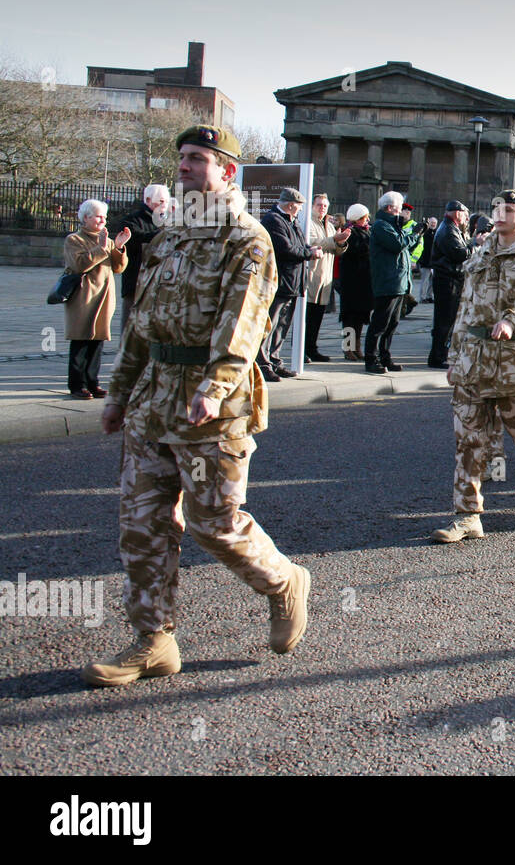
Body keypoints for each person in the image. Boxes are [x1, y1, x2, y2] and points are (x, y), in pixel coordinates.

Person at [85, 124, 309, 687]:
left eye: (197, 159)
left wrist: (212, 389)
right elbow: (141, 323)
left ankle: (283, 582)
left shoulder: (247, 239)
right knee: (142, 523)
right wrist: (119, 393)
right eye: (181, 157)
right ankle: (154, 639)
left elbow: (243, 326)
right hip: (152, 400)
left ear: (226, 171)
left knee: (214, 523)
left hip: (213, 407)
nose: (183, 167)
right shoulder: (170, 233)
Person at [431, 189, 515, 542]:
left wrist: (511, 320)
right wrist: (454, 356)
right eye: (496, 208)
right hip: (473, 360)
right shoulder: (481, 253)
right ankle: (467, 516)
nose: (500, 213)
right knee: (469, 440)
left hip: (513, 362)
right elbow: (465, 307)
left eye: (509, 209)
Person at [64, 199, 129, 398]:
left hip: (104, 298)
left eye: (105, 217)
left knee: (97, 342)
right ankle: (77, 385)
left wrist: (118, 247)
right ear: (86, 218)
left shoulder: (107, 240)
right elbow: (79, 265)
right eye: (98, 216)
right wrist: (101, 249)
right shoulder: (74, 240)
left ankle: (93, 382)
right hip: (83, 298)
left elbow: (119, 268)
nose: (103, 220)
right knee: (81, 341)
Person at [257, 188, 319, 381]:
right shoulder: (273, 220)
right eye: (299, 206)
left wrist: (311, 249)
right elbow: (286, 249)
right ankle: (262, 364)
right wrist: (310, 253)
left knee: (282, 325)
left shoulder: (292, 221)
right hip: (280, 281)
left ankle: (274, 361)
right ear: (291, 205)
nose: (300, 210)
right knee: (270, 325)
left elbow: (301, 244)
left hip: (292, 282)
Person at [364, 191, 421, 373]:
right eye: (398, 209)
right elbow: (397, 244)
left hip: (397, 282)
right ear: (389, 208)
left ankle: (385, 356)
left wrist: (417, 234)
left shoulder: (392, 224)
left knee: (392, 324)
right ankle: (371, 359)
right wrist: (414, 232)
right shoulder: (382, 225)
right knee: (380, 324)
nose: (401, 213)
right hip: (388, 281)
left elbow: (405, 246)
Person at [116, 184, 170, 336]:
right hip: (136, 282)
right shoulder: (131, 221)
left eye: (166, 201)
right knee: (130, 328)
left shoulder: (167, 221)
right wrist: (163, 233)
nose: (164, 205)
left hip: (161, 284)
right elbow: (136, 240)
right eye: (160, 201)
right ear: (147, 200)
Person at [303, 194, 350, 362]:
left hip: (325, 276)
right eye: (319, 205)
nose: (322, 208)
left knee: (318, 317)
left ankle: (312, 348)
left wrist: (341, 242)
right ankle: (302, 350)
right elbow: (310, 243)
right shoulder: (307, 222)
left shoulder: (329, 225)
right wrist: (333, 240)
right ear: (313, 206)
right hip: (312, 275)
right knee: (307, 316)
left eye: (324, 205)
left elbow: (336, 250)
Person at [428, 200, 472, 369]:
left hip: (450, 278)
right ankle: (437, 357)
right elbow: (459, 253)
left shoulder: (450, 227)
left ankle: (440, 354)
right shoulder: (448, 229)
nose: (466, 218)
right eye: (464, 214)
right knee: (444, 321)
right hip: (447, 280)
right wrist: (473, 245)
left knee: (447, 320)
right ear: (456, 212)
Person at [336, 204, 372, 361]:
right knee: (350, 317)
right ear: (357, 218)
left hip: (363, 279)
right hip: (352, 280)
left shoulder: (366, 231)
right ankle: (348, 347)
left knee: (359, 316)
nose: (368, 220)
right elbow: (353, 250)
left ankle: (356, 346)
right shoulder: (349, 231)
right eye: (365, 217)